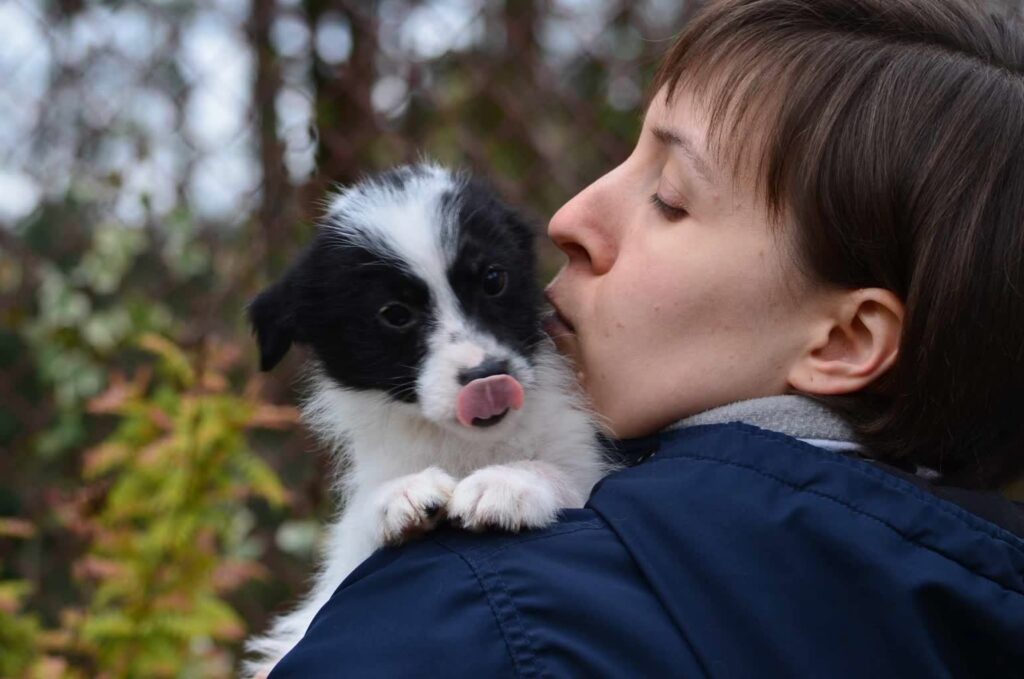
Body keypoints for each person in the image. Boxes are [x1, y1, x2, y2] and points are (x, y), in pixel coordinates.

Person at [269, 0, 1024, 676]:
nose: (567, 218)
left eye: (667, 197)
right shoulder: (977, 600)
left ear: (846, 339)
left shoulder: (477, 624)